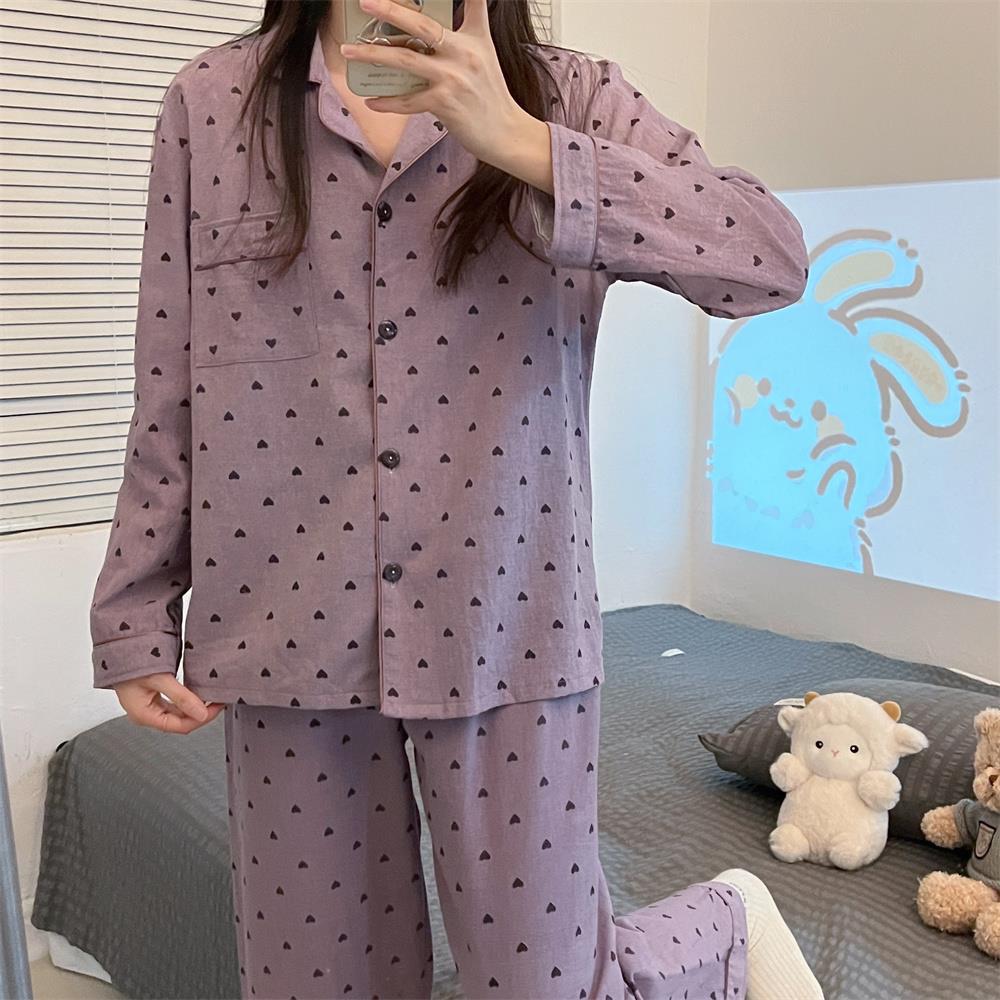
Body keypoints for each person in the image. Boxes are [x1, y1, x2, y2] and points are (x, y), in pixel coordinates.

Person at [89, 1, 822, 997]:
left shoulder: (567, 96)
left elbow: (771, 258)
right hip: (285, 628)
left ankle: (720, 925)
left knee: (545, 985)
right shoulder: (213, 105)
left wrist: (523, 144)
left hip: (511, 627)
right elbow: (170, 372)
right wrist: (135, 607)